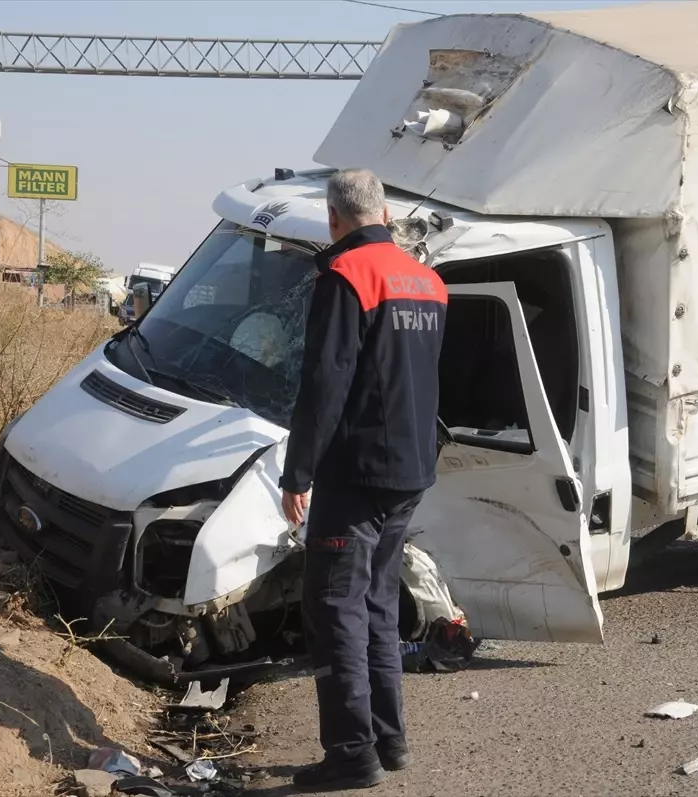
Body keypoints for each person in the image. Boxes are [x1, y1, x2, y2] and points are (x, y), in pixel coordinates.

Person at [279, 169, 448, 792]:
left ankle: (351, 754)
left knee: (335, 607)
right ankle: (389, 739)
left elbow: (326, 384)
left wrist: (298, 473)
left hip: (355, 476)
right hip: (410, 471)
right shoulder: (428, 281)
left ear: (333, 219)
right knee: (377, 603)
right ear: (384, 212)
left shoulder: (346, 276)